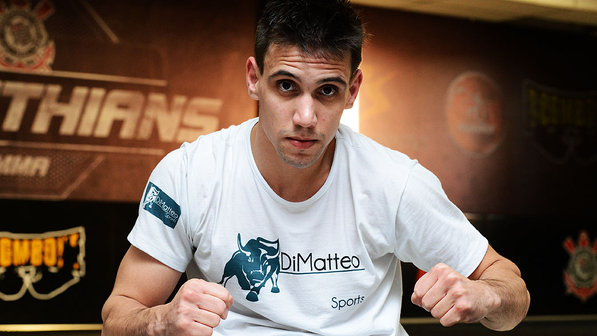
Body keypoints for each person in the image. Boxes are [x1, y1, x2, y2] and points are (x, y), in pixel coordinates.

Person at [101, 0, 530, 335]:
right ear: (254, 77)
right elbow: (118, 314)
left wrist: (486, 297)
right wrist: (160, 322)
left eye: (327, 91)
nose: (306, 117)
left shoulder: (395, 183)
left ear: (353, 89)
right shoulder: (190, 174)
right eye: (286, 86)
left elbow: (511, 292)